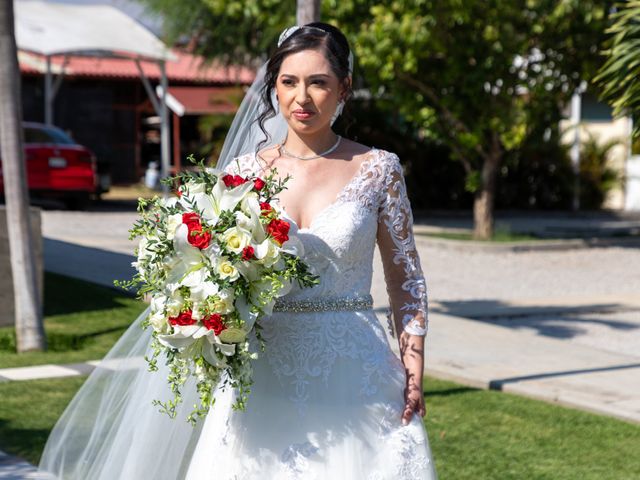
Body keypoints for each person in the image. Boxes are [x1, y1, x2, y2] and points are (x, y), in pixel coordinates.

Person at [37, 23, 437, 479]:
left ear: (344, 87)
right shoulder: (244, 173)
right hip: (262, 368)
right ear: (274, 87)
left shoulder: (378, 169)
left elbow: (405, 278)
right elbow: (206, 265)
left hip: (355, 367)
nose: (301, 97)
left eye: (318, 82)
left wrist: (413, 363)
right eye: (288, 82)